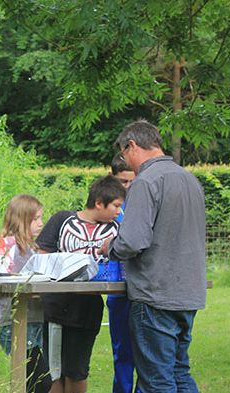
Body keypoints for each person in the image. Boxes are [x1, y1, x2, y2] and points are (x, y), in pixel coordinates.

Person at [103, 120, 206, 393]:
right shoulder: (189, 179)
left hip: (155, 295)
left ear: (132, 145)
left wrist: (109, 248)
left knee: (156, 381)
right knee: (179, 372)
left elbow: (133, 241)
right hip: (188, 293)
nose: (127, 163)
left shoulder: (146, 181)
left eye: (125, 156)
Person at [36, 175, 125, 393]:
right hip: (54, 308)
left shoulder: (117, 230)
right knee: (52, 371)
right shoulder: (62, 220)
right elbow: (42, 257)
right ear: (98, 203)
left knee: (77, 369)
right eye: (115, 206)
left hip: (87, 311)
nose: (118, 212)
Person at [0, 195, 51, 393]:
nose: (41, 223)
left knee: (34, 379)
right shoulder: (7, 247)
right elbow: (1, 279)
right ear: (21, 219)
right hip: (12, 321)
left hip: (31, 319)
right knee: (39, 381)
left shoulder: (31, 249)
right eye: (36, 219)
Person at [104, 155, 140, 393]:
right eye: (122, 182)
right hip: (118, 288)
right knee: (122, 350)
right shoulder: (107, 206)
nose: (127, 187)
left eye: (131, 182)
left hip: (142, 287)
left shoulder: (144, 200)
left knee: (146, 351)